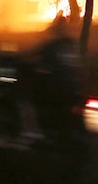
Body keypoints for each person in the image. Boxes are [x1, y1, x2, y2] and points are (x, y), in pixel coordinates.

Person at [18, 12, 83, 140]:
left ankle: (32, 130)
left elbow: (33, 54)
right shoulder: (71, 44)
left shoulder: (52, 45)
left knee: (28, 97)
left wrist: (18, 59)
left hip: (56, 87)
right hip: (73, 88)